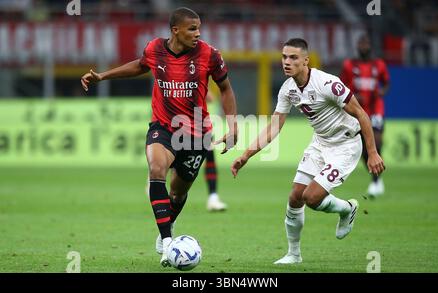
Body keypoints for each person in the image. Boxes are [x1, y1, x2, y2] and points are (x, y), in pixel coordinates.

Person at [81, 7, 238, 267]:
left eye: (199, 28)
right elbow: (139, 66)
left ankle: (170, 222)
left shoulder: (210, 54)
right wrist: (103, 76)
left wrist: (233, 126)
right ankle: (167, 242)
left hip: (196, 134)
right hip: (163, 127)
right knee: (156, 168)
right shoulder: (155, 49)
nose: (197, 33)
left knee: (177, 193)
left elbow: (226, 89)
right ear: (175, 30)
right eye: (192, 29)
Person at [231, 38, 385, 264]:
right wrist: (245, 155)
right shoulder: (288, 90)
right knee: (295, 197)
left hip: (345, 145)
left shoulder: (328, 84)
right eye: (284, 57)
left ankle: (347, 208)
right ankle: (294, 254)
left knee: (311, 198)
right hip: (320, 143)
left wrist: (372, 153)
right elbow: (274, 127)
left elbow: (361, 114)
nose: (286, 62)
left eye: (293, 57)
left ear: (306, 60)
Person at [340, 34, 390, 198]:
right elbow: (341, 86)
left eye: (366, 43)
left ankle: (376, 180)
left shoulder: (379, 65)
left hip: (376, 109)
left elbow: (386, 83)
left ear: (370, 46)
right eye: (361, 43)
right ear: (357, 46)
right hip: (358, 110)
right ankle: (374, 178)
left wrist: (381, 91)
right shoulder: (349, 65)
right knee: (363, 147)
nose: (363, 46)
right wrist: (353, 95)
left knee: (377, 141)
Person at [204, 92, 227, 212]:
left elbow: (210, 98)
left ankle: (213, 197)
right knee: (175, 159)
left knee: (209, 157)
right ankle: (156, 177)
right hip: (178, 121)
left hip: (200, 122)